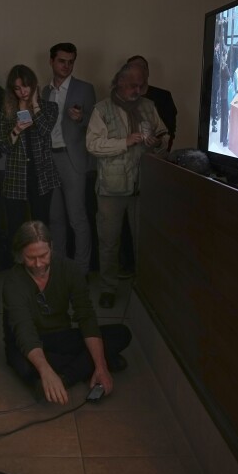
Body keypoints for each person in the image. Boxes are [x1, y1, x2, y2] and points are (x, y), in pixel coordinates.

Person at [2, 221, 131, 405]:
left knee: (121, 334)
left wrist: (101, 368)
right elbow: (25, 333)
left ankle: (66, 378)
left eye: (43, 255)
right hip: (26, 345)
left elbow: (86, 317)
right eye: (31, 258)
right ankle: (87, 365)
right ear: (20, 255)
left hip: (60, 336)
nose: (38, 264)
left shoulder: (68, 269)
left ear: (52, 248)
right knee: (26, 367)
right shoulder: (13, 282)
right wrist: (45, 370)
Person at [86, 64, 169, 308]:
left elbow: (164, 135)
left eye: (141, 84)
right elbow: (93, 145)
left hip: (142, 185)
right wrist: (124, 141)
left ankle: (143, 286)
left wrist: (158, 142)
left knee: (143, 241)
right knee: (109, 242)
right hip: (111, 188)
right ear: (118, 83)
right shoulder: (102, 109)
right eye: (133, 85)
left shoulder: (148, 107)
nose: (138, 89)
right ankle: (108, 288)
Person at [41, 43, 97, 275]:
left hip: (72, 158)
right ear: (52, 61)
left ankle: (81, 271)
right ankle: (60, 269)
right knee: (55, 219)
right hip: (49, 159)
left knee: (77, 217)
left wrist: (81, 117)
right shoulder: (44, 92)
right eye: (62, 61)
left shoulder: (84, 88)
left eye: (71, 61)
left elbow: (95, 125)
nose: (66, 66)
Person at [0, 65, 59, 247]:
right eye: (17, 88)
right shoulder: (7, 110)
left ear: (33, 85)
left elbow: (46, 130)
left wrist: (35, 104)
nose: (22, 91)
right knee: (16, 226)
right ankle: (17, 266)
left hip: (42, 175)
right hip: (16, 176)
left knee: (41, 225)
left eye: (26, 86)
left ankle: (43, 260)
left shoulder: (49, 107)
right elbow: (2, 146)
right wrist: (16, 130)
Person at [126, 55, 179, 153]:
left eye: (141, 67)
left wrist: (159, 144)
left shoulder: (163, 97)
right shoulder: (122, 98)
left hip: (155, 155)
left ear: (147, 72)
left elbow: (170, 131)